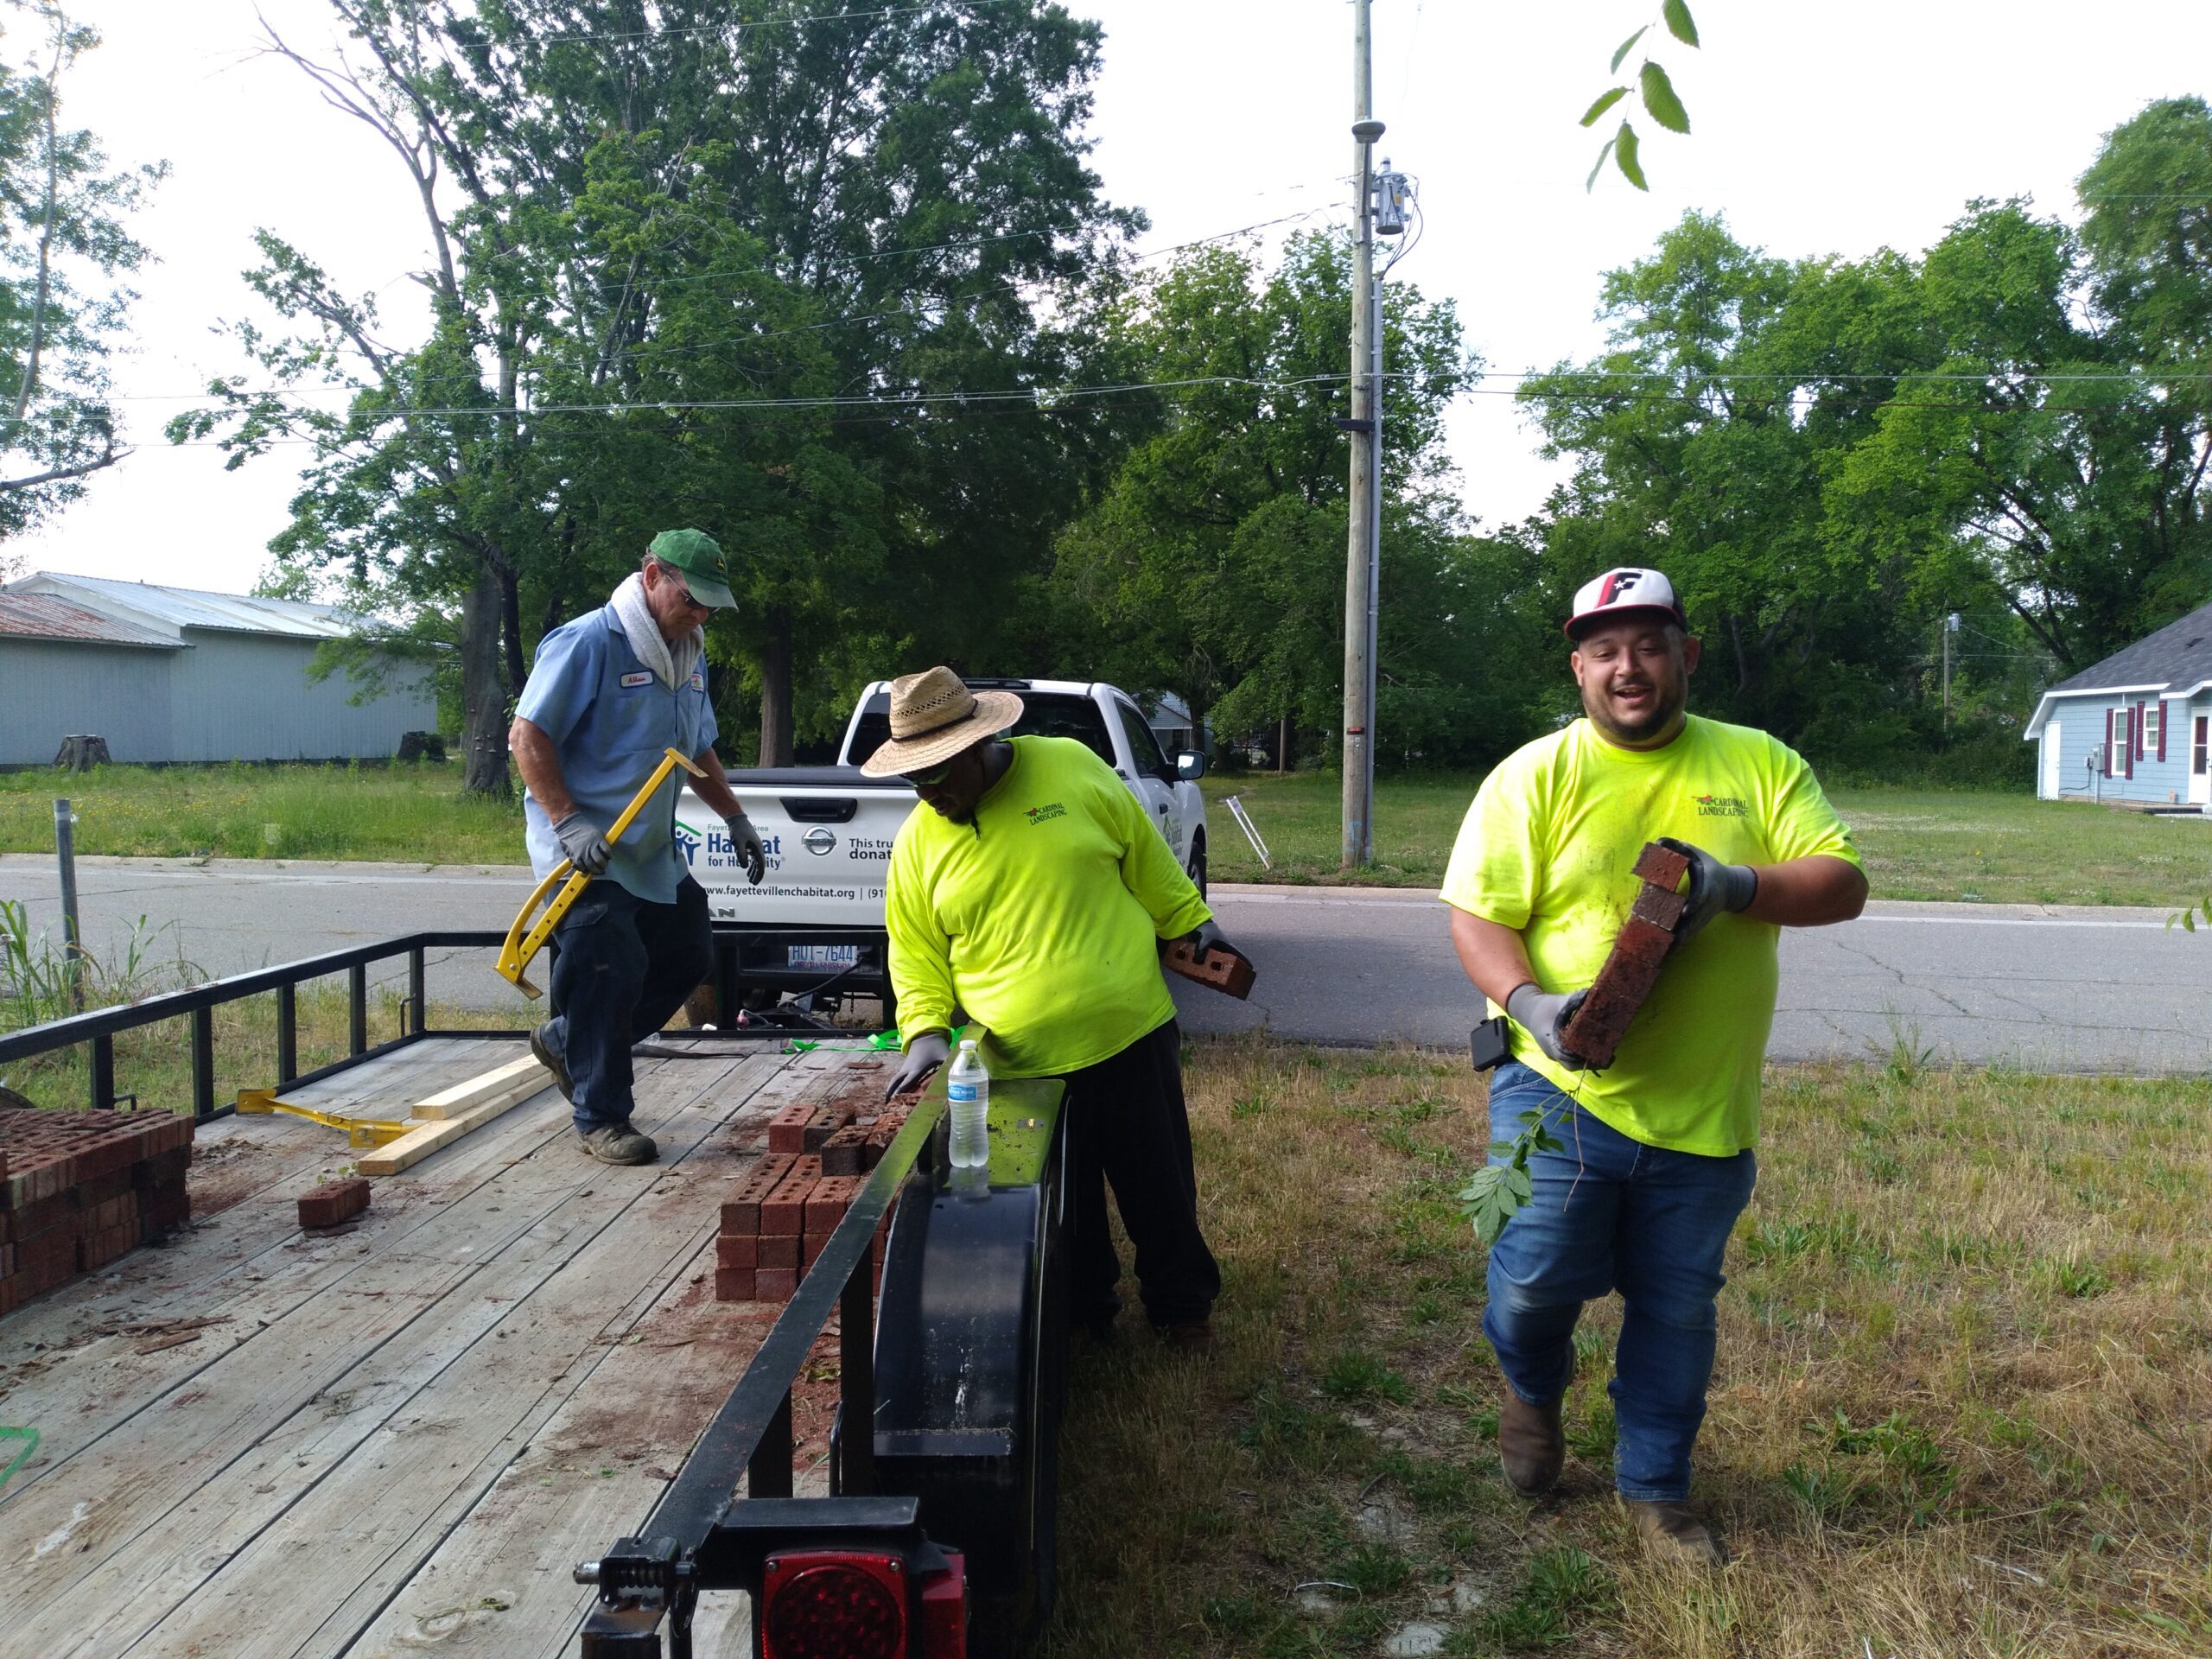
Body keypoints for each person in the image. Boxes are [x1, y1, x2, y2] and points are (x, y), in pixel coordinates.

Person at [1441, 567, 1867, 1564]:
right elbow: (1478, 915)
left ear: (1686, 654)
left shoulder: (1760, 763)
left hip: (1705, 1110)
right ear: (1578, 666)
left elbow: (1841, 883)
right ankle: (1532, 1397)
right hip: (1555, 1093)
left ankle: (1658, 1494)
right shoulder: (1533, 774)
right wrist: (1529, 1005)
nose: (1625, 667)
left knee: (1676, 1309)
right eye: (1602, 649)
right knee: (1534, 1283)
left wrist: (1733, 883)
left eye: (1646, 643)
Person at [865, 666, 1230, 1351]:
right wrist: (922, 1031)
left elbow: (1145, 857)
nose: (929, 793)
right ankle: (1088, 1315)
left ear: (978, 745)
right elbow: (914, 950)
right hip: (1020, 1066)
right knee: (1064, 1206)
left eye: (938, 774)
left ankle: (1183, 1310)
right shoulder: (919, 841)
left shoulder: (1069, 766)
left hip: (1129, 1034)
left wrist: (1190, 920)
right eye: (914, 780)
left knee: (1158, 1186)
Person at [509, 529, 768, 1166]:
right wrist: (567, 821)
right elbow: (527, 736)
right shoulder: (588, 642)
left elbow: (697, 745)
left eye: (710, 605)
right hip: (586, 851)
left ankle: (570, 1042)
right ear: (653, 575)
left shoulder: (688, 653)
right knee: (607, 965)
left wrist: (735, 817)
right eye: (692, 599)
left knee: (688, 955)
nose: (701, 614)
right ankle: (601, 1116)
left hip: (649, 848)